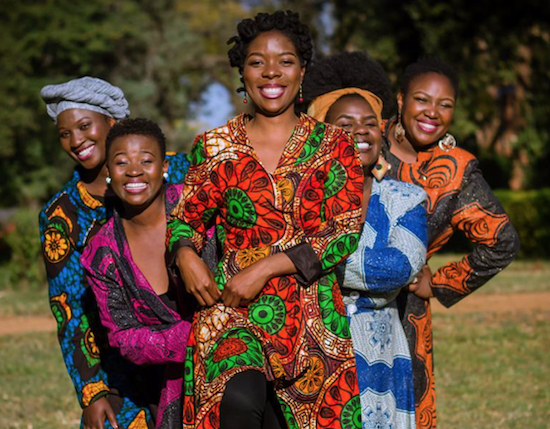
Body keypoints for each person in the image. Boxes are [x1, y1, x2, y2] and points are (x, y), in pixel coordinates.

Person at [167, 10, 364, 429]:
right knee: (235, 402)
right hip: (234, 308)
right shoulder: (214, 145)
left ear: (302, 70)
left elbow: (344, 229)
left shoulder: (333, 145)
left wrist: (267, 267)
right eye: (257, 61)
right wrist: (185, 253)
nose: (271, 72)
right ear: (242, 71)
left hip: (313, 316)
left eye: (285, 61)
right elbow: (185, 219)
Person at [39, 77, 190, 429]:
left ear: (113, 123)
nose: (76, 141)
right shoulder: (63, 216)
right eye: (65, 134)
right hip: (121, 363)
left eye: (84, 126)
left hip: (193, 341)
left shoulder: (176, 170)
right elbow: (69, 308)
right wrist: (91, 390)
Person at [382, 58, 520, 429]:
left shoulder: (455, 169)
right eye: (422, 100)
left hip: (405, 316)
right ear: (400, 99)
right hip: (339, 304)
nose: (433, 112)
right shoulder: (363, 139)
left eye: (445, 105)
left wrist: (439, 283)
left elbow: (502, 241)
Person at [304, 51, 427, 429]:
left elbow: (401, 267)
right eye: (346, 123)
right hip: (317, 350)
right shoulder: (303, 201)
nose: (360, 131)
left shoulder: (406, 198)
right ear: (322, 133)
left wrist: (312, 261)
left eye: (369, 123)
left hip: (381, 351)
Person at [80, 118, 201, 429]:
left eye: (146, 160)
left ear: (163, 166)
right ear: (108, 172)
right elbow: (123, 336)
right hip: (162, 384)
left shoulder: (200, 206)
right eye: (121, 162)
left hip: (239, 358)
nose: (134, 171)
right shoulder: (102, 252)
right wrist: (195, 337)